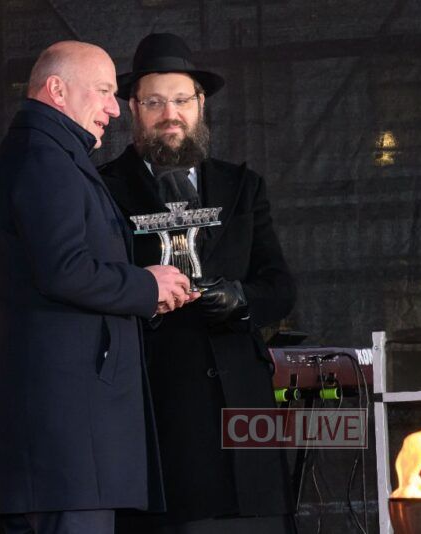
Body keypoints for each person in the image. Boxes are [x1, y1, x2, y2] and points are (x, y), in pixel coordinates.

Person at [0, 40, 199, 534]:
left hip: (60, 436)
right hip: (67, 437)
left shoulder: (47, 153)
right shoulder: (44, 157)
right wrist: (146, 285)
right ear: (57, 90)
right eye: (102, 91)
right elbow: (63, 269)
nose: (114, 109)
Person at [100, 33, 296, 533]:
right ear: (132, 108)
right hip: (155, 405)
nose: (171, 115)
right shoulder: (101, 188)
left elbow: (279, 287)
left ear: (201, 104)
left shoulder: (242, 186)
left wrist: (241, 299)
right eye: (155, 102)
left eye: (182, 100)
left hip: (241, 408)